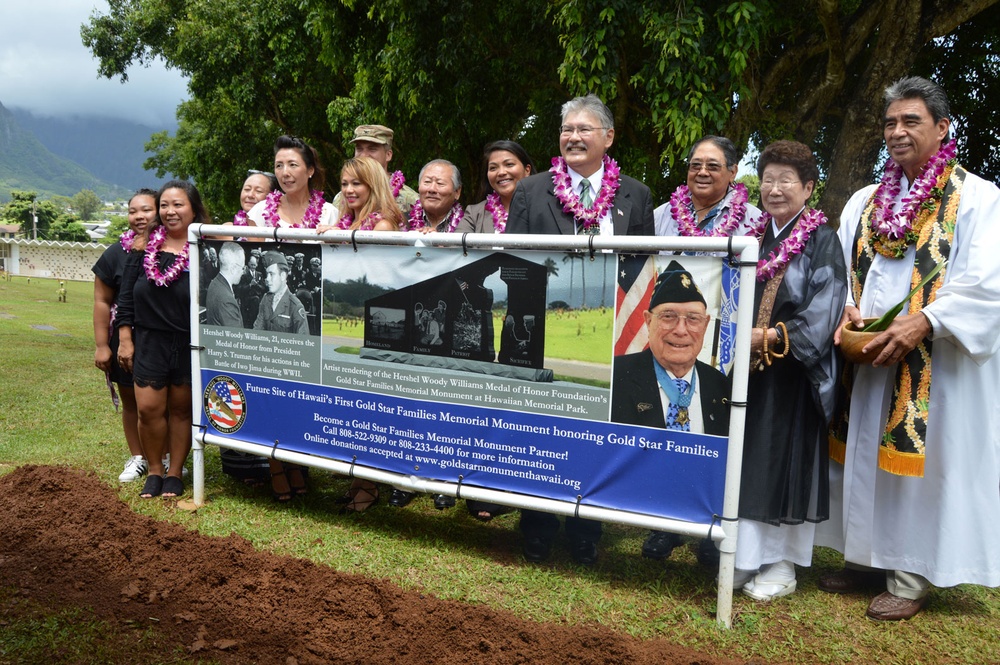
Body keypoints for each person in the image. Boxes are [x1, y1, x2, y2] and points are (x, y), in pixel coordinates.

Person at [819, 76, 1000, 621]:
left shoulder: (977, 196)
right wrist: (847, 311)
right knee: (863, 456)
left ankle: (910, 573)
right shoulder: (865, 200)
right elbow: (841, 271)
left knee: (923, 466)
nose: (897, 132)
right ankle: (863, 557)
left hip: (936, 364)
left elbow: (987, 282)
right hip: (869, 361)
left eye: (911, 121)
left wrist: (926, 322)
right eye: (890, 123)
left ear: (943, 129)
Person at [507, 93, 655, 566]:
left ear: (608, 138)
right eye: (566, 129)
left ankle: (588, 527)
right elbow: (513, 261)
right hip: (546, 330)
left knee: (597, 428)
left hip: (612, 336)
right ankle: (536, 523)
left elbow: (643, 270)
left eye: (583, 129)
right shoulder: (532, 191)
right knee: (542, 427)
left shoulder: (636, 193)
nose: (572, 136)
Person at [734, 140, 847, 601]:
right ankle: (744, 558)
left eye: (786, 181)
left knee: (785, 463)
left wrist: (774, 338)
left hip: (792, 373)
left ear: (808, 188)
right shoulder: (752, 237)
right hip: (747, 371)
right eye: (767, 179)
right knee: (748, 461)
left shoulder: (822, 240)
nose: (774, 189)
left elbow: (827, 306)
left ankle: (782, 565)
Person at [611, 262, 732, 566]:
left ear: (705, 325)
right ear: (647, 320)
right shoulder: (619, 377)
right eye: (668, 317)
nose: (681, 330)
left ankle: (707, 534)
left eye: (692, 319)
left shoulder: (720, 384)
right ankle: (663, 526)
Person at [116, 180, 205, 499]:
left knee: (181, 411)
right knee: (148, 410)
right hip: (149, 340)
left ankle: (175, 472)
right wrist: (125, 338)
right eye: (164, 205)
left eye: (178, 204)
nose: (170, 211)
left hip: (187, 341)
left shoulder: (204, 246)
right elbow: (125, 296)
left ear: (194, 208)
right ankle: (154, 469)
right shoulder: (143, 247)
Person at [92, 188, 157, 483]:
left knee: (160, 403)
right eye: (133, 211)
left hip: (162, 338)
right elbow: (102, 301)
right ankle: (139, 457)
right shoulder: (115, 254)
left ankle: (164, 457)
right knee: (131, 401)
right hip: (124, 337)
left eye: (146, 210)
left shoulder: (173, 250)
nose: (139, 216)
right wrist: (102, 346)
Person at [654, 136, 761, 250]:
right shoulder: (661, 216)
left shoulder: (754, 220)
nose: (702, 172)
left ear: (733, 172)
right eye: (696, 165)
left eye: (712, 166)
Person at [246, 135, 337, 229]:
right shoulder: (260, 212)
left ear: (310, 170)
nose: (285, 173)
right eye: (279, 166)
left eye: (293, 165)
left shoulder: (329, 213)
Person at [332, 124, 419, 216]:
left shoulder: (410, 199)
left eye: (372, 149)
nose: (364, 155)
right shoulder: (341, 198)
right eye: (359, 149)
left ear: (388, 155)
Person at [456, 141, 535, 234]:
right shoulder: (474, 213)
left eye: (509, 164)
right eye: (493, 168)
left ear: (527, 170)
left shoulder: (547, 207)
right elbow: (455, 246)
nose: (501, 172)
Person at [321, 156, 404, 232]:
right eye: (344, 184)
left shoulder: (382, 226)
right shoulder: (343, 222)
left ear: (373, 187)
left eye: (356, 183)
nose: (348, 190)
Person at [253, 251, 310, 335]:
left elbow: (303, 342)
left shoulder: (295, 306)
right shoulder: (266, 299)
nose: (267, 279)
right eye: (267, 274)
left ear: (283, 276)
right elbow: (257, 331)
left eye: (271, 274)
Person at [408, 160, 464, 232]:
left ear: (457, 192)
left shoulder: (468, 224)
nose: (432, 189)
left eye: (440, 183)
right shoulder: (404, 221)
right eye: (427, 182)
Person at [205, 242, 245, 327]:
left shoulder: (214, 283)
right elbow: (236, 337)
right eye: (242, 268)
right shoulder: (227, 300)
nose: (243, 272)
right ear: (233, 268)